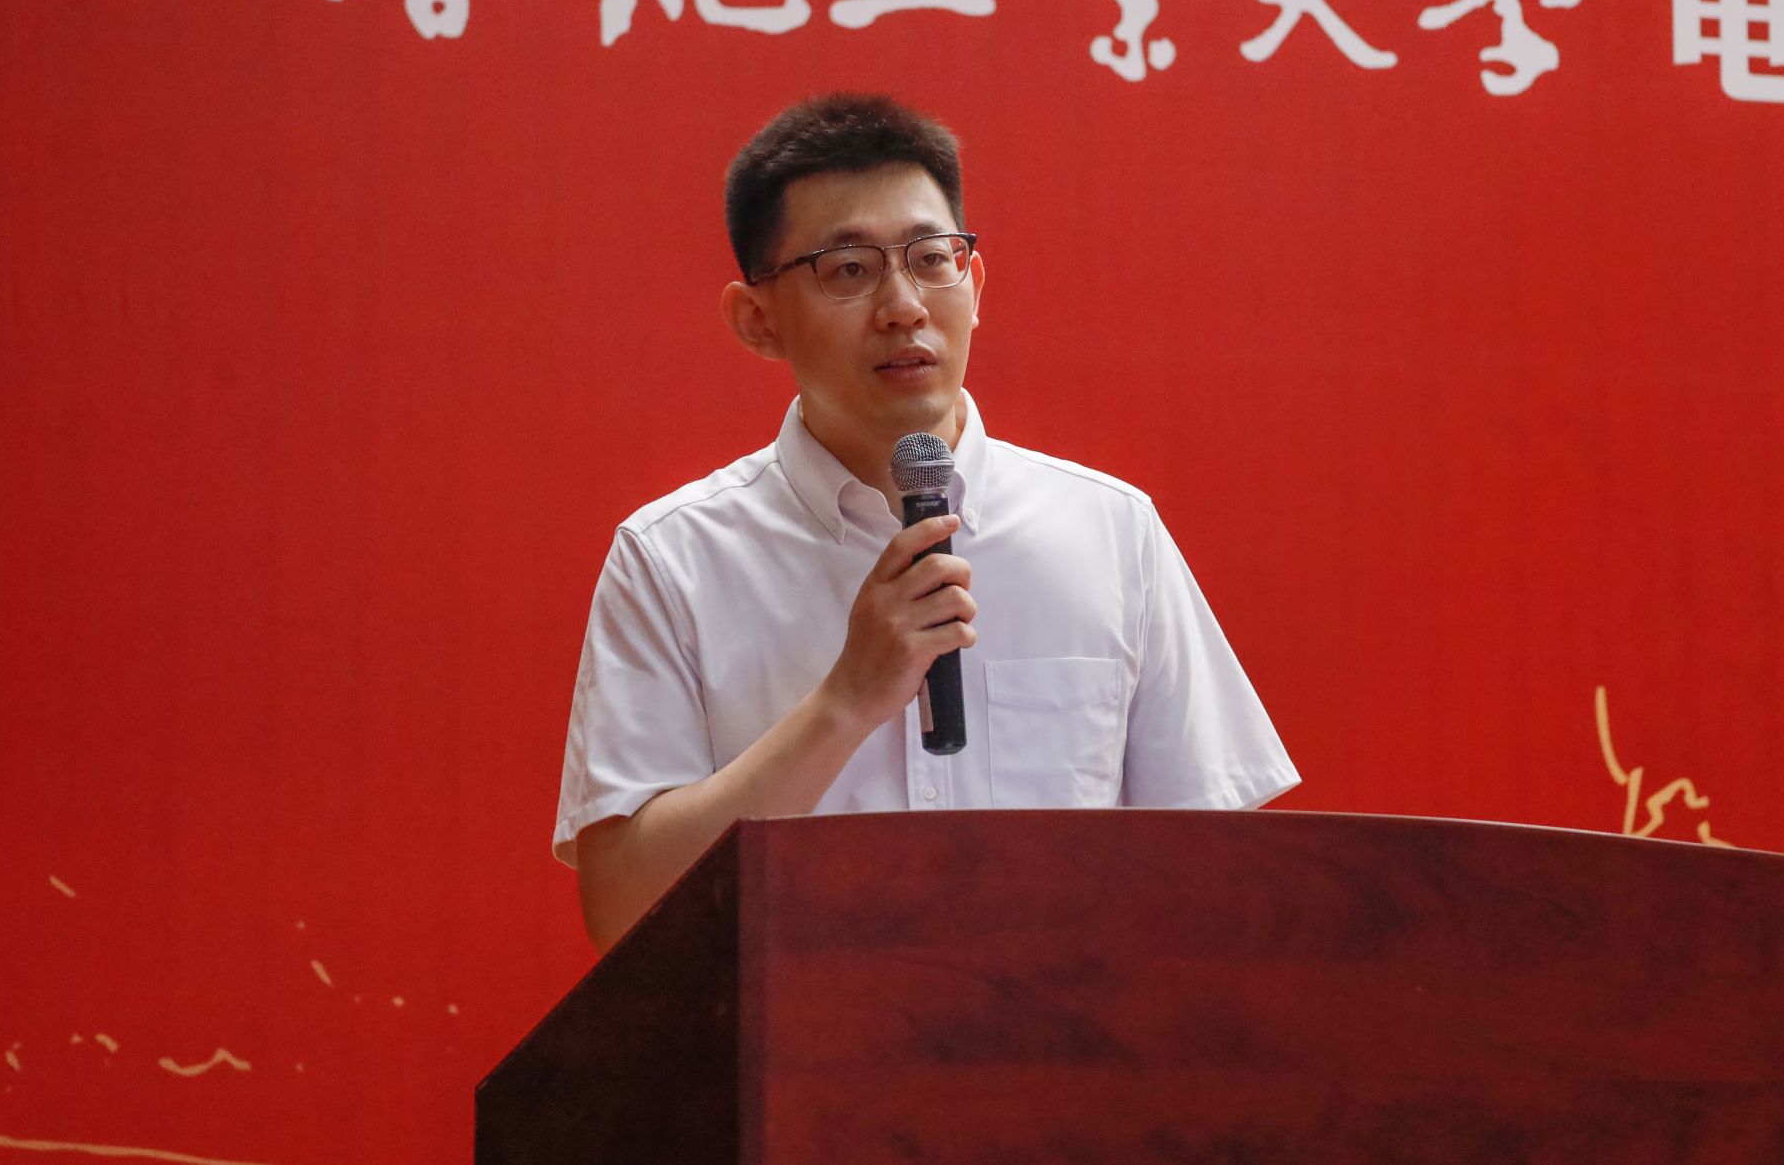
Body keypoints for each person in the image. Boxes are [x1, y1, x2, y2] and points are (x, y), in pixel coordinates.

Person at [555, 93, 1298, 950]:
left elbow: (1215, 879)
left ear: (973, 287)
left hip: (1059, 1031)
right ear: (757, 321)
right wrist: (845, 702)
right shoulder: (673, 559)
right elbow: (624, 910)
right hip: (795, 1035)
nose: (904, 305)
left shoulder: (1110, 532)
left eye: (931, 259)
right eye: (848, 270)